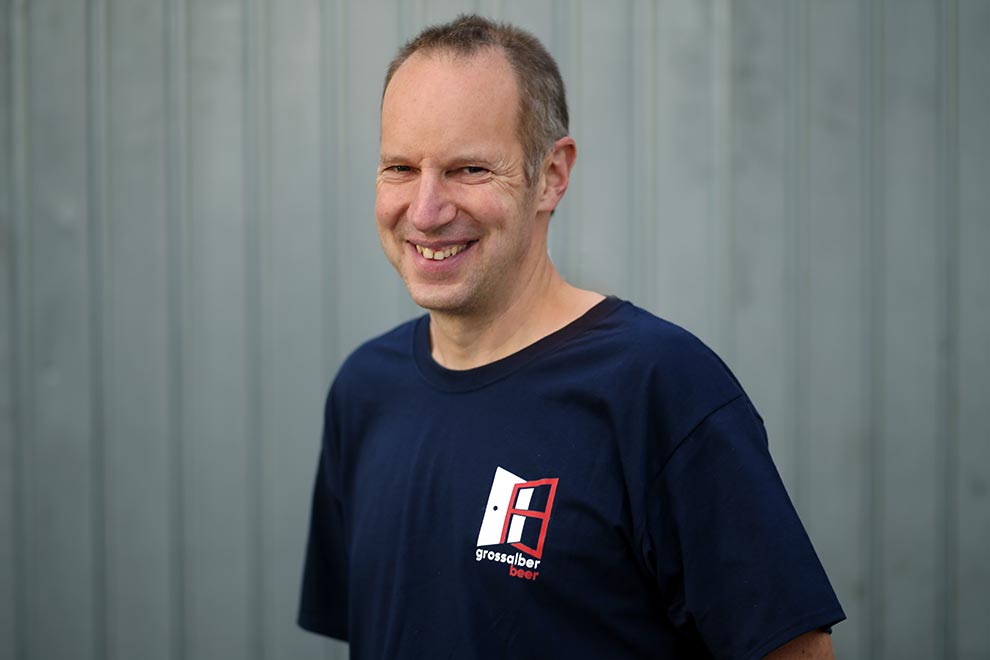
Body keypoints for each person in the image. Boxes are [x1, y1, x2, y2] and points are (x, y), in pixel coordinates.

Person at [299, 14, 844, 659]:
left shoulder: (660, 389)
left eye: (468, 169)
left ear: (552, 175)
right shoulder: (366, 390)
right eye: (399, 167)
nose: (424, 210)